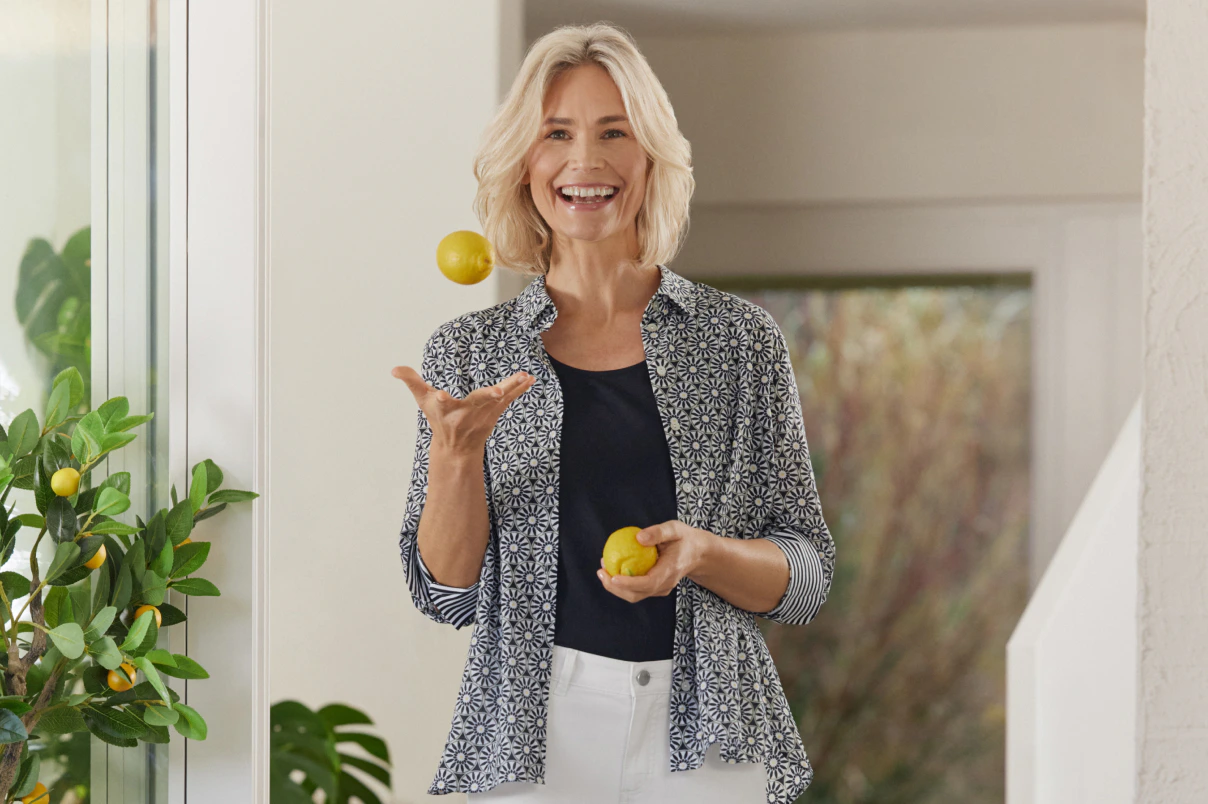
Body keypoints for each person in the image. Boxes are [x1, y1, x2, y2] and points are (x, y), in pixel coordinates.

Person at [392, 21, 835, 804]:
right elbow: (447, 595)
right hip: (534, 726)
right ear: (524, 163)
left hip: (711, 730)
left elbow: (805, 577)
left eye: (613, 133)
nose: (585, 161)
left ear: (650, 158)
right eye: (556, 133)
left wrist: (701, 554)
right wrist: (456, 458)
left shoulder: (738, 343)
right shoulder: (469, 355)